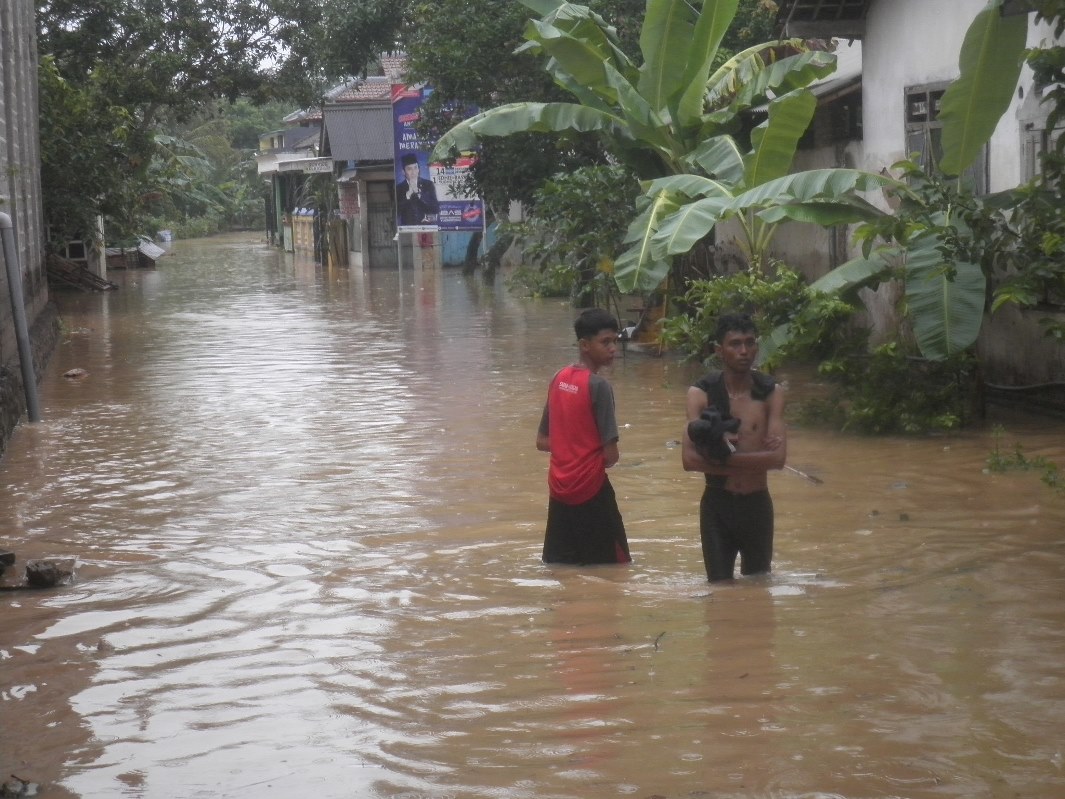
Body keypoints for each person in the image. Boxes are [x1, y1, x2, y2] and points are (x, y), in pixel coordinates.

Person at [682, 312, 786, 581]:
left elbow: (778, 459)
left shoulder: (769, 392)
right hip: (717, 506)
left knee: (758, 586)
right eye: (735, 344)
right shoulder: (701, 393)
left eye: (750, 343)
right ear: (719, 350)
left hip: (756, 505)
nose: (744, 351)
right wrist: (752, 459)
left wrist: (721, 461)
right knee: (718, 588)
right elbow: (688, 460)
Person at [536, 308, 631, 565]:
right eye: (605, 342)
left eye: (615, 341)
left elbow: (542, 441)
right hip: (592, 490)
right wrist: (584, 451)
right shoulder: (599, 387)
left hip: (559, 490)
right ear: (584, 345)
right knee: (614, 569)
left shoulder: (558, 378)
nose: (613, 348)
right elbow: (611, 457)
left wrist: (571, 448)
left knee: (561, 568)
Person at [395, 153, 439, 226]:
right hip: (407, 229)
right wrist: (407, 195)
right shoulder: (399, 188)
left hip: (426, 228)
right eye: (409, 169)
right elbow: (397, 212)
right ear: (403, 172)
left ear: (418, 169)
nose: (413, 172)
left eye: (415, 168)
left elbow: (436, 209)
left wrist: (420, 196)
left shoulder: (428, 184)